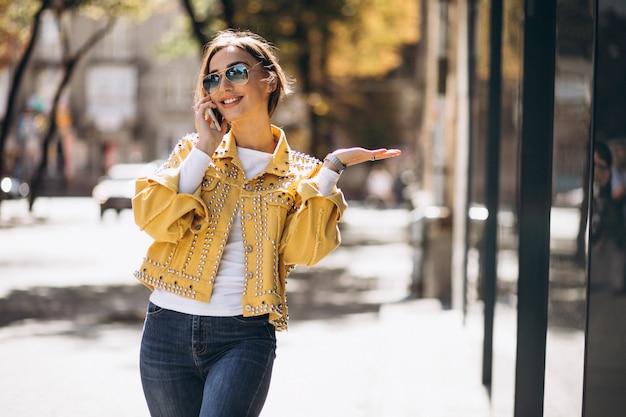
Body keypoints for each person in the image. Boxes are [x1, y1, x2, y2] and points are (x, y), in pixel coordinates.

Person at [131, 29, 401, 417]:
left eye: (236, 72)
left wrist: (331, 170)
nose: (223, 85)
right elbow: (154, 219)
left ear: (268, 80)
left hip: (243, 336)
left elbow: (303, 251)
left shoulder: (302, 174)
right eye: (213, 78)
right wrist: (205, 147)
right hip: (165, 329)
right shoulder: (193, 151)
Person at [589, 141, 625, 293]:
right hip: (613, 218)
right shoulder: (614, 173)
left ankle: (617, 283)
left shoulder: (616, 173)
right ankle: (615, 283)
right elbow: (616, 193)